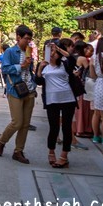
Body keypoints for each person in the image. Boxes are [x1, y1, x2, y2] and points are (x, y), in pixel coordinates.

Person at [0, 25, 37, 164]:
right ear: (18, 37)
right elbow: (5, 68)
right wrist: (21, 66)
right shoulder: (10, 52)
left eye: (30, 39)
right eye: (26, 39)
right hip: (15, 89)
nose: (28, 42)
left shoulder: (29, 51)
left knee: (25, 124)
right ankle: (1, 140)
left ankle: (18, 151)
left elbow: (30, 71)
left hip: (29, 89)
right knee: (17, 122)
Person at [34, 38, 77, 168]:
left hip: (67, 99)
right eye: (50, 51)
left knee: (66, 127)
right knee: (53, 127)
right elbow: (39, 81)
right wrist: (40, 69)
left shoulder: (64, 63)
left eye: (54, 51)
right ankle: (51, 151)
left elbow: (72, 59)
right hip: (52, 100)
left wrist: (58, 48)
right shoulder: (43, 64)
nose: (52, 54)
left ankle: (64, 156)